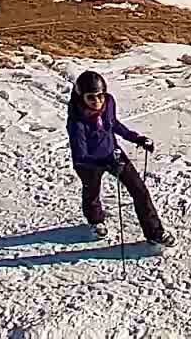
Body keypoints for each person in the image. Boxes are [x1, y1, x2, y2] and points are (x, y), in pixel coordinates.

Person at [65, 71, 168, 247]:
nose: (97, 101)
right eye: (91, 97)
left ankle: (155, 232)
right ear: (81, 97)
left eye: (100, 96)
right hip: (88, 163)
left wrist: (137, 138)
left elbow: (114, 124)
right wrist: (100, 163)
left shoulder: (109, 102)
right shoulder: (76, 122)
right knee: (92, 193)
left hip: (112, 153)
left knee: (140, 191)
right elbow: (80, 155)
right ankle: (96, 221)